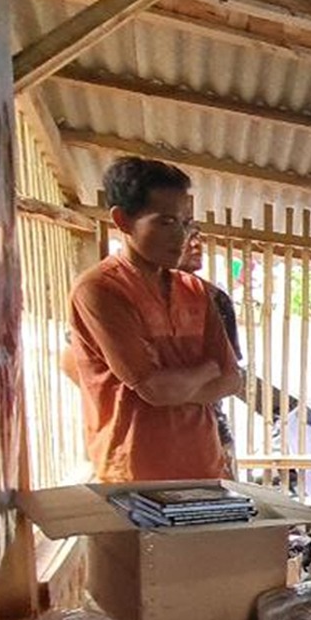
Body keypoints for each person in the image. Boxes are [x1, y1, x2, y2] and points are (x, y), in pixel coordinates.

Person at [66, 157, 242, 483]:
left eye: (185, 223)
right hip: (133, 478)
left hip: (203, 470)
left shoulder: (196, 291)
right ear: (122, 220)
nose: (181, 236)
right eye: (165, 222)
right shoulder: (100, 290)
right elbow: (156, 390)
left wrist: (175, 384)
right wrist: (205, 371)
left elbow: (232, 379)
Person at [179, 225, 242, 477]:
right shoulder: (121, 295)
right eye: (187, 235)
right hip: (148, 442)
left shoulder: (215, 299)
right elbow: (72, 363)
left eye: (198, 236)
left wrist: (164, 394)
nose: (196, 244)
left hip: (211, 430)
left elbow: (229, 378)